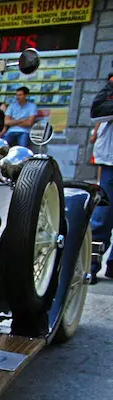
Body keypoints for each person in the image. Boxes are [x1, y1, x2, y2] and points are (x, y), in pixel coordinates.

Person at [89, 72, 113, 281]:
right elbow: (97, 111)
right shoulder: (110, 88)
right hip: (111, 163)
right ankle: (92, 265)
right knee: (103, 216)